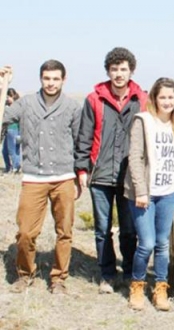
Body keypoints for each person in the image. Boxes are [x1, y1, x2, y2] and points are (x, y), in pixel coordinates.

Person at [0, 62, 82, 294]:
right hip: (33, 177)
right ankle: (25, 275)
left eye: (56, 79)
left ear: (63, 80)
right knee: (26, 232)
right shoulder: (25, 104)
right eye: (47, 78)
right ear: (40, 79)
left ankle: (59, 278)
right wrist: (2, 86)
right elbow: (2, 119)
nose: (51, 83)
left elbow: (79, 142)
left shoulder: (72, 107)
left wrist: (79, 176)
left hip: (64, 177)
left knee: (64, 231)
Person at [75, 47, 148, 294]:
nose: (119, 74)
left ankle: (128, 272)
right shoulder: (94, 99)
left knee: (129, 229)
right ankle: (107, 274)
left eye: (123, 69)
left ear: (131, 71)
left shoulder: (142, 100)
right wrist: (82, 169)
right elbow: (84, 136)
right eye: (114, 69)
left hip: (131, 176)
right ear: (108, 70)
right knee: (102, 228)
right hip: (101, 174)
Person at [124, 78, 174, 311]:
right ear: (154, 99)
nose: (167, 102)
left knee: (162, 243)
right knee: (147, 243)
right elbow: (135, 157)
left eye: (171, 97)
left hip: (168, 192)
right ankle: (137, 284)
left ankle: (161, 287)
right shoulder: (144, 121)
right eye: (163, 97)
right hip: (145, 194)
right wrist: (141, 190)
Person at [2, 87, 21, 174]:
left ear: (12, 96)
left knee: (13, 150)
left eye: (8, 97)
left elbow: (14, 117)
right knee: (4, 151)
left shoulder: (16, 106)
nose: (6, 99)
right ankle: (8, 167)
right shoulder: (6, 105)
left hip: (14, 129)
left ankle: (15, 167)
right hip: (8, 130)